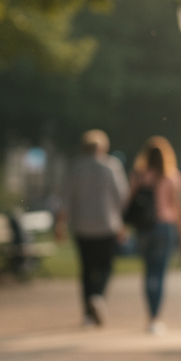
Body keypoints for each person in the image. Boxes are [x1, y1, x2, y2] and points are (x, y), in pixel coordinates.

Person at [57, 129, 128, 326]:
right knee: (105, 266)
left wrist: (60, 224)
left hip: (82, 226)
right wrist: (122, 223)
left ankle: (88, 314)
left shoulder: (76, 168)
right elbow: (122, 196)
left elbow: (66, 199)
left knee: (87, 268)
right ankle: (98, 296)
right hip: (107, 225)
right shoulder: (112, 166)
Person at [126, 136, 181, 334]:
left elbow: (129, 202)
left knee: (148, 272)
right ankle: (156, 318)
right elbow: (178, 208)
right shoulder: (172, 177)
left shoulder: (139, 176)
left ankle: (150, 315)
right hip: (164, 227)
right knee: (159, 273)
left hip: (144, 228)